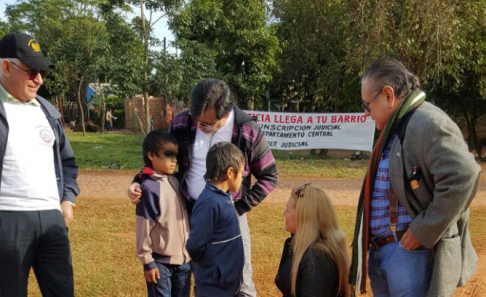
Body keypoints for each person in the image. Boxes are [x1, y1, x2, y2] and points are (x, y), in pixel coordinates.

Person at [129, 78, 279, 297]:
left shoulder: (247, 130)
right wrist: (138, 180)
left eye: (207, 123)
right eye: (196, 119)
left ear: (226, 114)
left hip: (232, 217)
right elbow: (161, 159)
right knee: (199, 275)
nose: (199, 126)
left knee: (241, 280)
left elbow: (269, 176)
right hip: (189, 215)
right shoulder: (182, 123)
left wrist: (238, 208)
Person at [350, 58, 481, 297]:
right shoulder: (396, 126)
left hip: (408, 254)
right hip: (386, 253)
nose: (367, 113)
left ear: (388, 95)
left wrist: (424, 229)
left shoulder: (427, 122)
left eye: (367, 104)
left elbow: (464, 174)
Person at [0, 33, 79, 297]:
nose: (39, 79)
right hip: (8, 218)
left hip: (51, 218)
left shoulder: (48, 111)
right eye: (31, 71)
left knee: (62, 291)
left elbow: (67, 162)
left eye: (41, 72)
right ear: (5, 66)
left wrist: (67, 200)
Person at [136, 130, 191, 297]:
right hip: (160, 264)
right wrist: (147, 262)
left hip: (184, 262)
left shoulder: (179, 180)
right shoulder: (149, 188)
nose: (174, 160)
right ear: (151, 155)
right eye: (168, 155)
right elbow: (143, 226)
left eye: (176, 155)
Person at [186, 142, 245, 297]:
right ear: (230, 172)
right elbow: (195, 245)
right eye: (241, 174)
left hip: (227, 285)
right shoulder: (209, 203)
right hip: (214, 288)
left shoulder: (224, 198)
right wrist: (213, 268)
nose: (242, 179)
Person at [276, 183, 350, 297]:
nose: (284, 214)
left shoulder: (316, 258)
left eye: (287, 210)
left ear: (302, 216)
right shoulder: (299, 246)